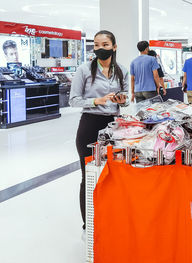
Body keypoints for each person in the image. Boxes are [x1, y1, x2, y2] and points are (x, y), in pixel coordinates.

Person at [69, 30, 129, 230]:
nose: (100, 49)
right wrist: (96, 101)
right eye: (96, 45)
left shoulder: (121, 70)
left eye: (104, 45)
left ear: (114, 47)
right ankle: (90, 224)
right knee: (89, 176)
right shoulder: (84, 69)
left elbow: (128, 97)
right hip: (89, 125)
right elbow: (73, 100)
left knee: (113, 174)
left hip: (113, 126)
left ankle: (109, 217)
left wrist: (123, 99)